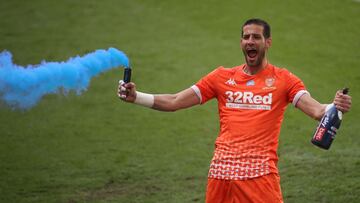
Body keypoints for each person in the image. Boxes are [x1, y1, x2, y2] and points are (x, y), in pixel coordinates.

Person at [117, 18, 352, 203]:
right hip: (221, 173)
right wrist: (136, 97)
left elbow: (316, 110)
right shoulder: (221, 77)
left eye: (256, 37)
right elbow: (175, 100)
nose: (250, 41)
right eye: (246, 37)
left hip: (259, 176)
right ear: (241, 43)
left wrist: (333, 106)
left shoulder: (283, 80)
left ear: (267, 42)